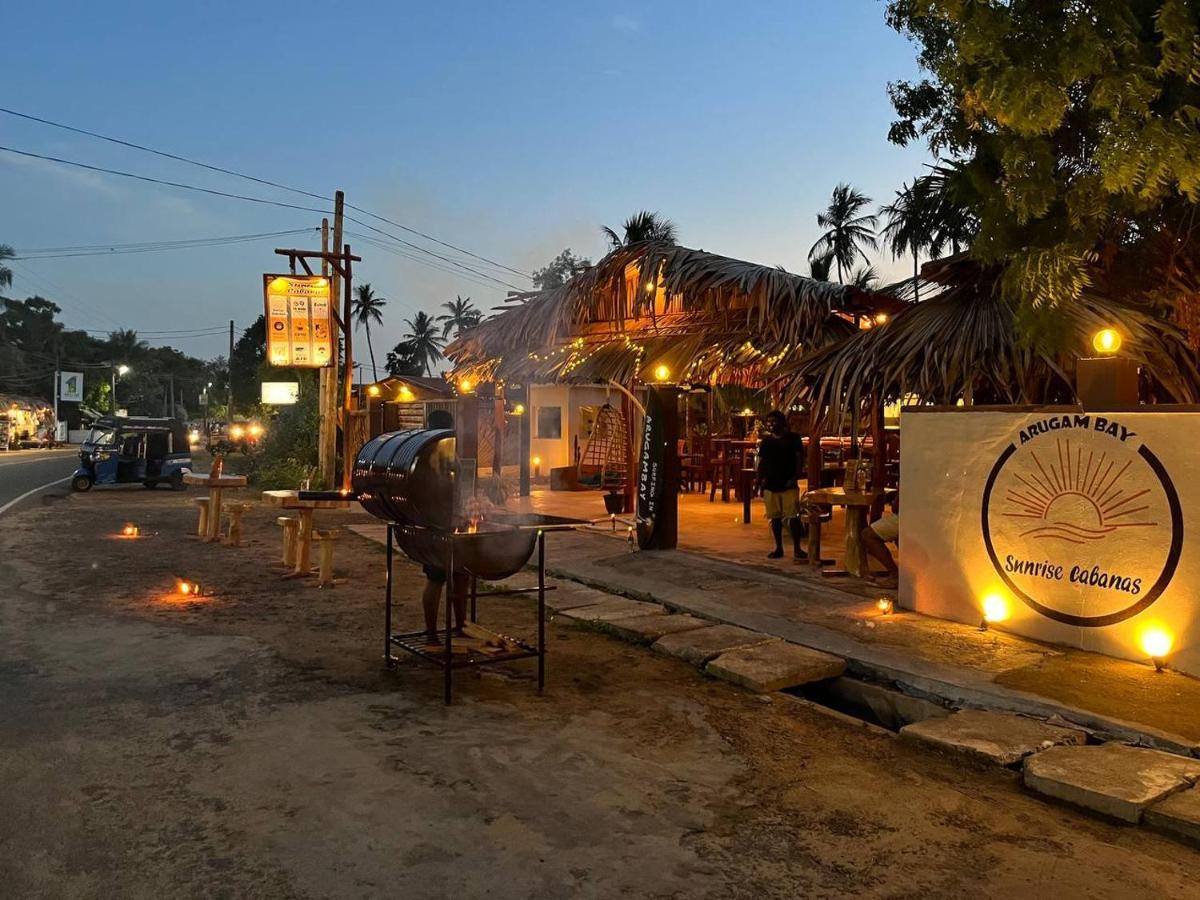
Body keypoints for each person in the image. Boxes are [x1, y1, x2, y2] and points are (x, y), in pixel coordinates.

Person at [420, 408, 468, 644]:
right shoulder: (431, 454)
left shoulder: (438, 453)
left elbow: (458, 487)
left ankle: (457, 627)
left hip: (447, 522)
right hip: (439, 524)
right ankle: (438, 632)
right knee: (439, 577)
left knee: (457, 576)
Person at [756, 410, 808, 560]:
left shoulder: (793, 439)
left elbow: (799, 460)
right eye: (769, 422)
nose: (771, 425)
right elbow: (762, 463)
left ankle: (797, 548)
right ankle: (779, 547)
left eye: (774, 422)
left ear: (782, 423)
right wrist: (758, 482)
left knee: (793, 517)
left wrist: (795, 477)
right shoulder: (766, 442)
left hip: (788, 483)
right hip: (771, 484)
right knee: (775, 518)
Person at [862, 494, 900, 588]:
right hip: (919, 514)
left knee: (868, 534)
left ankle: (895, 575)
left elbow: (896, 507)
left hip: (906, 517)